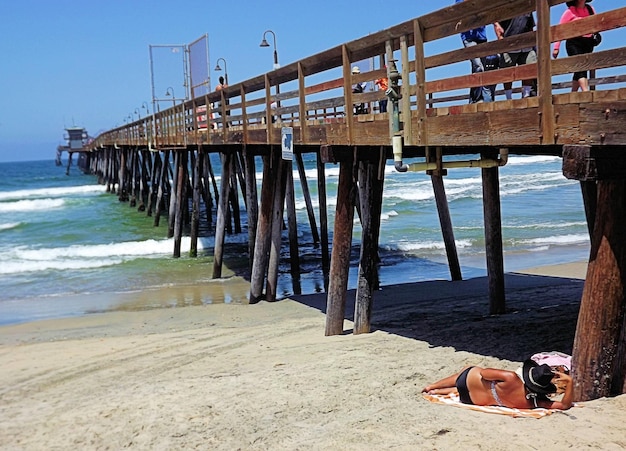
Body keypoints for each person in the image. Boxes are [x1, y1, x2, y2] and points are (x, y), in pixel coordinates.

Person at [422, 358, 574, 410]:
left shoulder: (512, 377)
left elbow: (484, 373)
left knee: (470, 369)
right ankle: (439, 392)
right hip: (471, 399)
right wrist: (570, 382)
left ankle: (432, 387)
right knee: (482, 386)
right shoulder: (534, 402)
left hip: (466, 382)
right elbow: (564, 406)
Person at [552, 0, 598, 92]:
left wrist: (596, 34)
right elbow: (559, 30)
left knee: (581, 69)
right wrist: (556, 47)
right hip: (574, 42)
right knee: (580, 67)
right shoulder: (569, 12)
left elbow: (596, 24)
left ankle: (573, 94)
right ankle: (586, 92)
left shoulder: (590, 9)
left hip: (588, 42)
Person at [455, 0, 493, 103]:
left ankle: (472, 100)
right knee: (478, 66)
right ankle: (478, 99)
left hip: (481, 36)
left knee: (479, 68)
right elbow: (458, 10)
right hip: (468, 37)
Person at [494, 13, 537, 99]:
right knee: (507, 72)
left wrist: (532, 42)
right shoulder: (507, 6)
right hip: (509, 44)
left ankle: (526, 95)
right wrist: (500, 39)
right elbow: (495, 20)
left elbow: (531, 26)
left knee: (529, 68)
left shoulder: (527, 8)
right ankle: (508, 98)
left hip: (526, 45)